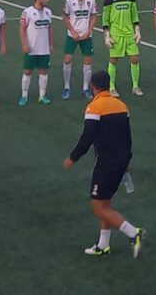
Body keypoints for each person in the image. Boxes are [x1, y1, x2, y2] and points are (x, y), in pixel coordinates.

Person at [62, 70, 145, 257]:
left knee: (98, 206)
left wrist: (72, 158)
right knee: (105, 203)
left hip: (106, 163)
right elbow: (127, 137)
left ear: (93, 87)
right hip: (121, 161)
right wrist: (127, 159)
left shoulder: (94, 107)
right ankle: (103, 244)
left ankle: (133, 233)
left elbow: (87, 137)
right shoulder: (122, 105)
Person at [103, 0, 143, 97]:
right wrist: (107, 35)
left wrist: (137, 30)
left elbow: (134, 14)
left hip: (129, 34)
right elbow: (105, 19)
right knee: (114, 61)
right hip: (116, 34)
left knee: (135, 59)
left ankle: (135, 86)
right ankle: (111, 87)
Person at [63, 0, 98, 100]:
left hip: (86, 36)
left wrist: (89, 31)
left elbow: (94, 16)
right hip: (72, 36)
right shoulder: (69, 1)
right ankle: (66, 86)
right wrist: (72, 31)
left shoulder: (91, 0)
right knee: (67, 60)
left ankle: (85, 88)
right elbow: (65, 17)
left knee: (88, 61)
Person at [19, 0, 54, 105]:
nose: (47, 0)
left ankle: (42, 96)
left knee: (43, 71)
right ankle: (24, 96)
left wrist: (50, 44)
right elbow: (22, 29)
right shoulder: (27, 12)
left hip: (44, 48)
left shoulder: (48, 12)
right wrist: (24, 44)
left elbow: (49, 29)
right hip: (31, 48)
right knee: (28, 71)